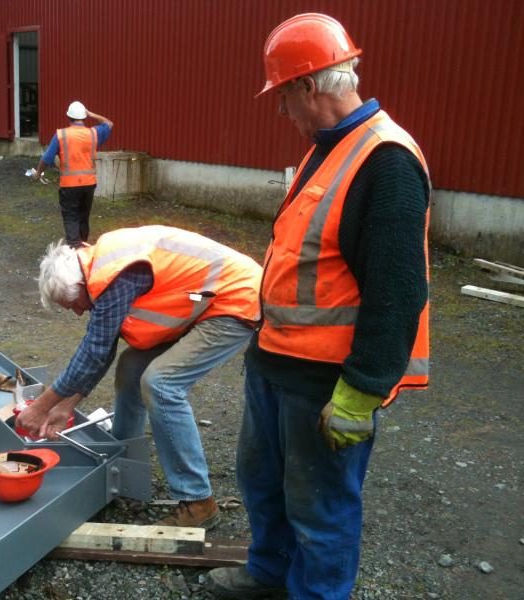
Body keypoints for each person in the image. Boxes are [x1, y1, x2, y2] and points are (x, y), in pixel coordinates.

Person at [207, 13, 430, 600]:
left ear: (307, 86)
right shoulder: (327, 150)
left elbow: (399, 290)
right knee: (264, 484)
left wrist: (361, 392)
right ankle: (269, 575)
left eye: (283, 96)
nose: (282, 111)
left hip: (325, 379)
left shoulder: (386, 161)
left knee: (320, 508)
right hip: (275, 362)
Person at [15, 225, 262, 529]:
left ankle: (198, 501)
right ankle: (123, 464)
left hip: (233, 300)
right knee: (131, 366)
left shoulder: (116, 273)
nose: (79, 313)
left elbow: (94, 350)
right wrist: (66, 405)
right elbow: (103, 349)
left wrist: (40, 407)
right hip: (202, 300)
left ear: (78, 287)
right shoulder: (100, 267)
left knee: (161, 384)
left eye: (74, 305)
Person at [29, 101, 113, 248]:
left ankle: (75, 250)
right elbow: (109, 123)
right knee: (83, 217)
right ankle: (83, 249)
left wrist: (38, 173)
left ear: (68, 116)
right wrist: (91, 113)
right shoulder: (94, 133)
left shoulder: (61, 135)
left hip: (69, 186)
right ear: (84, 117)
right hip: (89, 183)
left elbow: (47, 158)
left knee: (71, 217)